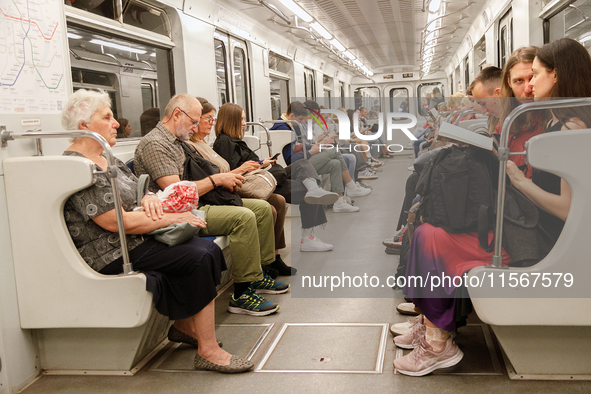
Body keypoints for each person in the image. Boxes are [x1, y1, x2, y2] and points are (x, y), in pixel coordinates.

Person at [394, 38, 588, 377]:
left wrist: (518, 180)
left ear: (555, 76)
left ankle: (438, 342)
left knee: (431, 236)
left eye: (536, 75)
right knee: (431, 223)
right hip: (529, 224)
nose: (529, 87)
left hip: (539, 240)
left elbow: (569, 211)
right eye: (521, 81)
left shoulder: (570, 129)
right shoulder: (555, 122)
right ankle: (434, 329)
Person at [61, 89, 252, 373]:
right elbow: (115, 223)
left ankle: (185, 326)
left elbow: (141, 190)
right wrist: (172, 217)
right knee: (200, 255)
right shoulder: (78, 167)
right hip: (113, 251)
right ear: (84, 127)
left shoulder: (107, 159)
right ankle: (208, 350)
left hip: (135, 239)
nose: (116, 123)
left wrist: (149, 198)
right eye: (107, 117)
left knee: (206, 250)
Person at [134, 94, 288, 317]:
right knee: (243, 217)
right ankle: (242, 294)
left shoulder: (179, 142)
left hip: (198, 201)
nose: (196, 127)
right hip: (179, 212)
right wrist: (217, 181)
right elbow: (177, 194)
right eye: (194, 122)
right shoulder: (155, 144)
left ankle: (260, 272)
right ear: (177, 114)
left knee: (262, 209)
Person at [271, 101, 370, 213]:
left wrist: (313, 145)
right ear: (292, 115)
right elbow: (289, 159)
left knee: (335, 164)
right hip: (297, 167)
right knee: (334, 151)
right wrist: (310, 152)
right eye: (300, 119)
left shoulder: (292, 124)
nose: (302, 122)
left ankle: (339, 203)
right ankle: (351, 187)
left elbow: (299, 145)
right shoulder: (283, 128)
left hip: (303, 160)